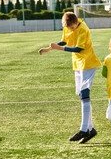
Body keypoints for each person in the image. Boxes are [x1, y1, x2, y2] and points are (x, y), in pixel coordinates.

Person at [38, 12, 101, 143]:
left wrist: (59, 48)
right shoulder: (67, 27)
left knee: (85, 94)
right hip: (77, 63)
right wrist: (49, 48)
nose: (70, 30)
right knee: (81, 96)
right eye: (68, 28)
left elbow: (78, 49)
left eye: (72, 28)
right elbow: (64, 41)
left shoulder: (83, 29)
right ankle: (90, 129)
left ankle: (84, 129)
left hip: (88, 62)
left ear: (76, 22)